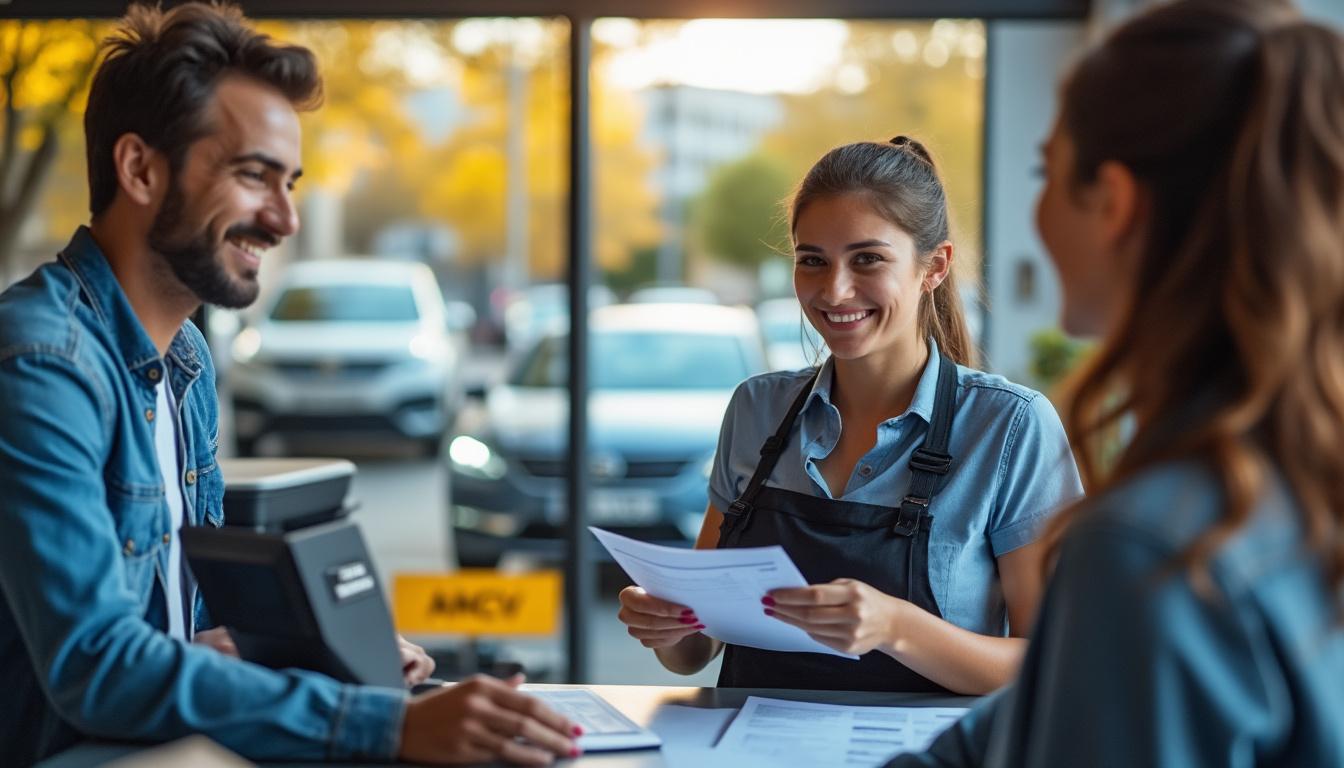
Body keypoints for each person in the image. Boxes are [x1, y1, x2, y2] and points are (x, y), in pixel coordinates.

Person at [0, 5, 580, 766]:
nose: (284, 219)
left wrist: (331, 653)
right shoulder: (42, 363)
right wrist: (384, 724)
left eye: (290, 183)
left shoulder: (185, 361)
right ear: (139, 169)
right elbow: (99, 665)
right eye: (253, 176)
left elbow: (177, 627)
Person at [888, 0, 1344, 764]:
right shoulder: (1295, 479)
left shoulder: (1147, 548)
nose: (1036, 208)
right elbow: (1010, 732)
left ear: (1114, 203)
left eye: (1046, 172)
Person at [618, 137, 1084, 695]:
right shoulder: (756, 410)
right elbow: (698, 649)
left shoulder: (1009, 427)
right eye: (812, 260)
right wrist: (669, 626)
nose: (835, 291)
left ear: (935, 267)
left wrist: (895, 627)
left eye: (867, 259)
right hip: (754, 739)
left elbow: (1054, 665)